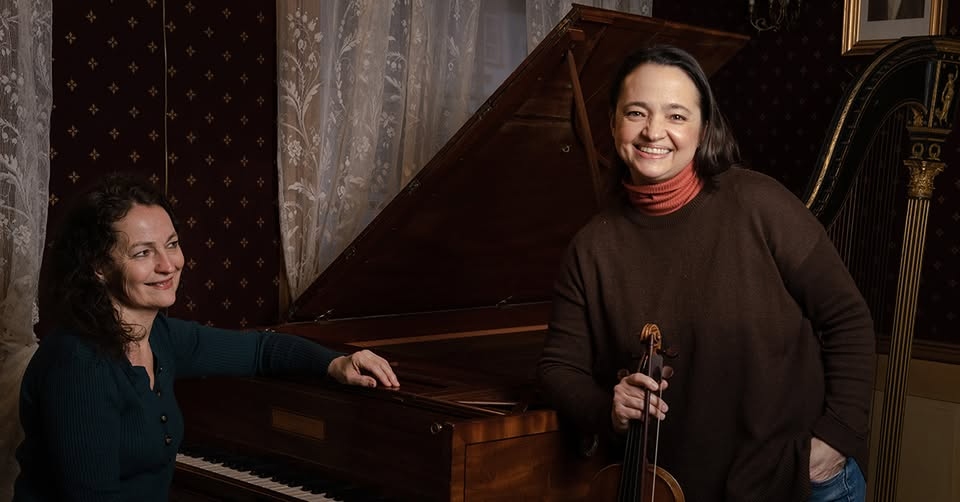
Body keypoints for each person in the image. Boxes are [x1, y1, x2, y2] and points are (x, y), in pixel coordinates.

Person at [537, 46, 875, 502]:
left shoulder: (761, 204)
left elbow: (847, 318)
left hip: (793, 482)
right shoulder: (591, 245)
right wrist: (608, 409)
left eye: (676, 115)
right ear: (613, 123)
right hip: (672, 490)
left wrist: (834, 441)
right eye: (636, 112)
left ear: (704, 128)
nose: (653, 130)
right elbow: (559, 367)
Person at [14, 173, 400, 501]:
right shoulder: (78, 363)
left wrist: (335, 363)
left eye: (172, 244)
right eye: (143, 253)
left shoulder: (160, 336)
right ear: (99, 267)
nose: (168, 265)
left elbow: (262, 349)